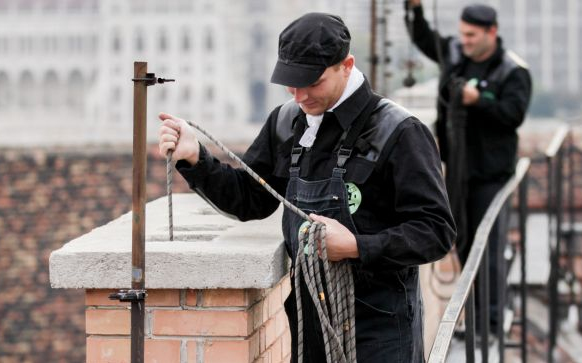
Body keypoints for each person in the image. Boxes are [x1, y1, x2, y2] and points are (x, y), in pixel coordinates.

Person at [159, 12, 456, 362]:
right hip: (310, 323)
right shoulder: (286, 123)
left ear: (346, 65)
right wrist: (196, 161)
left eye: (311, 82)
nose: (299, 95)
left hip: (381, 329)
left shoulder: (399, 131)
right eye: (290, 82)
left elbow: (435, 231)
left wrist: (356, 247)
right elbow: (252, 198)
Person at [405, 1, 532, 335]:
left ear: (492, 32)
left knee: (486, 247)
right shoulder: (455, 53)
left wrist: (481, 101)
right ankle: (475, 317)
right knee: (462, 244)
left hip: (490, 175)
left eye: (472, 35)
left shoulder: (512, 71)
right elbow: (424, 38)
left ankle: (489, 324)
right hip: (457, 170)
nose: (466, 41)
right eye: (462, 34)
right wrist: (414, 9)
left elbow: (513, 114)